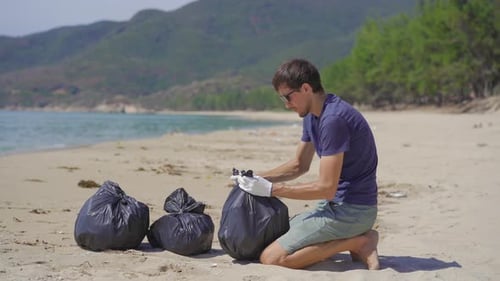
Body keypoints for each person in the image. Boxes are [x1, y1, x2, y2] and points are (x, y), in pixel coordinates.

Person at [231, 58, 380, 270]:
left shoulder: (333, 120)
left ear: (306, 88)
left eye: (287, 97)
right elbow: (298, 165)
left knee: (271, 258)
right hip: (333, 206)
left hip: (354, 210)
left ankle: (359, 241)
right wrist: (256, 178)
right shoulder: (312, 115)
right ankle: (351, 240)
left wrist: (272, 190)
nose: (286, 105)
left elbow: (326, 188)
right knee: (268, 238)